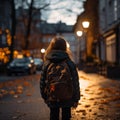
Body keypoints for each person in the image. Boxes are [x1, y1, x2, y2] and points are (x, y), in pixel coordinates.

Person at [40, 36, 80, 120]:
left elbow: (42, 82)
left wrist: (45, 96)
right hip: (67, 96)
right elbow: (75, 82)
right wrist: (76, 98)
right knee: (66, 116)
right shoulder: (69, 63)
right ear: (65, 47)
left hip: (52, 94)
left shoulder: (47, 63)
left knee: (53, 116)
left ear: (51, 47)